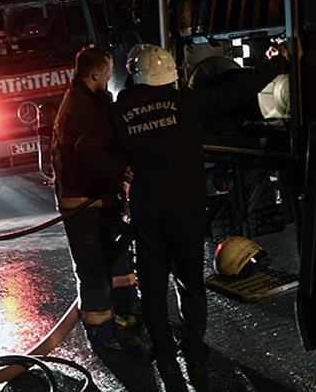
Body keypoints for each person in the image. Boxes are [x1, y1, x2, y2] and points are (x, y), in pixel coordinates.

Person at [77, 44, 287, 391]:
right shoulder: (185, 103)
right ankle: (195, 354)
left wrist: (121, 171)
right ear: (169, 75)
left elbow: (85, 147)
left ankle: (166, 359)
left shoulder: (119, 112)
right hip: (186, 211)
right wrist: (277, 63)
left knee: (154, 288)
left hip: (148, 213)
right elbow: (238, 89)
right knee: (190, 284)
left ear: (134, 75)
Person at [51, 47, 141, 355]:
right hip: (82, 201)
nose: (108, 77)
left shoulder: (89, 100)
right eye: (107, 72)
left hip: (96, 199)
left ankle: (125, 314)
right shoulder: (82, 108)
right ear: (95, 74)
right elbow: (91, 154)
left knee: (116, 258)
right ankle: (101, 333)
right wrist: (122, 171)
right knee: (93, 269)